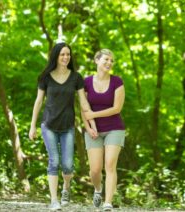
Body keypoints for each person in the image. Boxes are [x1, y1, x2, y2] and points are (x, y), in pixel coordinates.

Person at [29, 42, 96, 210]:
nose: (66, 57)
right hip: (49, 125)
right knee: (54, 161)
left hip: (68, 126)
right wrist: (32, 126)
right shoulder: (45, 77)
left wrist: (91, 124)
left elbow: (83, 103)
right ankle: (53, 200)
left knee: (67, 165)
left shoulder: (76, 77)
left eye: (68, 54)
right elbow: (38, 102)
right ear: (56, 56)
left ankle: (66, 188)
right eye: (62, 55)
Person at [82, 49, 125, 211]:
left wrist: (94, 113)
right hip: (93, 130)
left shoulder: (117, 82)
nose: (109, 63)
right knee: (94, 170)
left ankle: (108, 202)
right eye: (106, 59)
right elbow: (83, 108)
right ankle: (98, 190)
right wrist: (88, 127)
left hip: (114, 128)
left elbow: (116, 108)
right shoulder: (86, 82)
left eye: (112, 61)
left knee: (110, 165)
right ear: (97, 60)